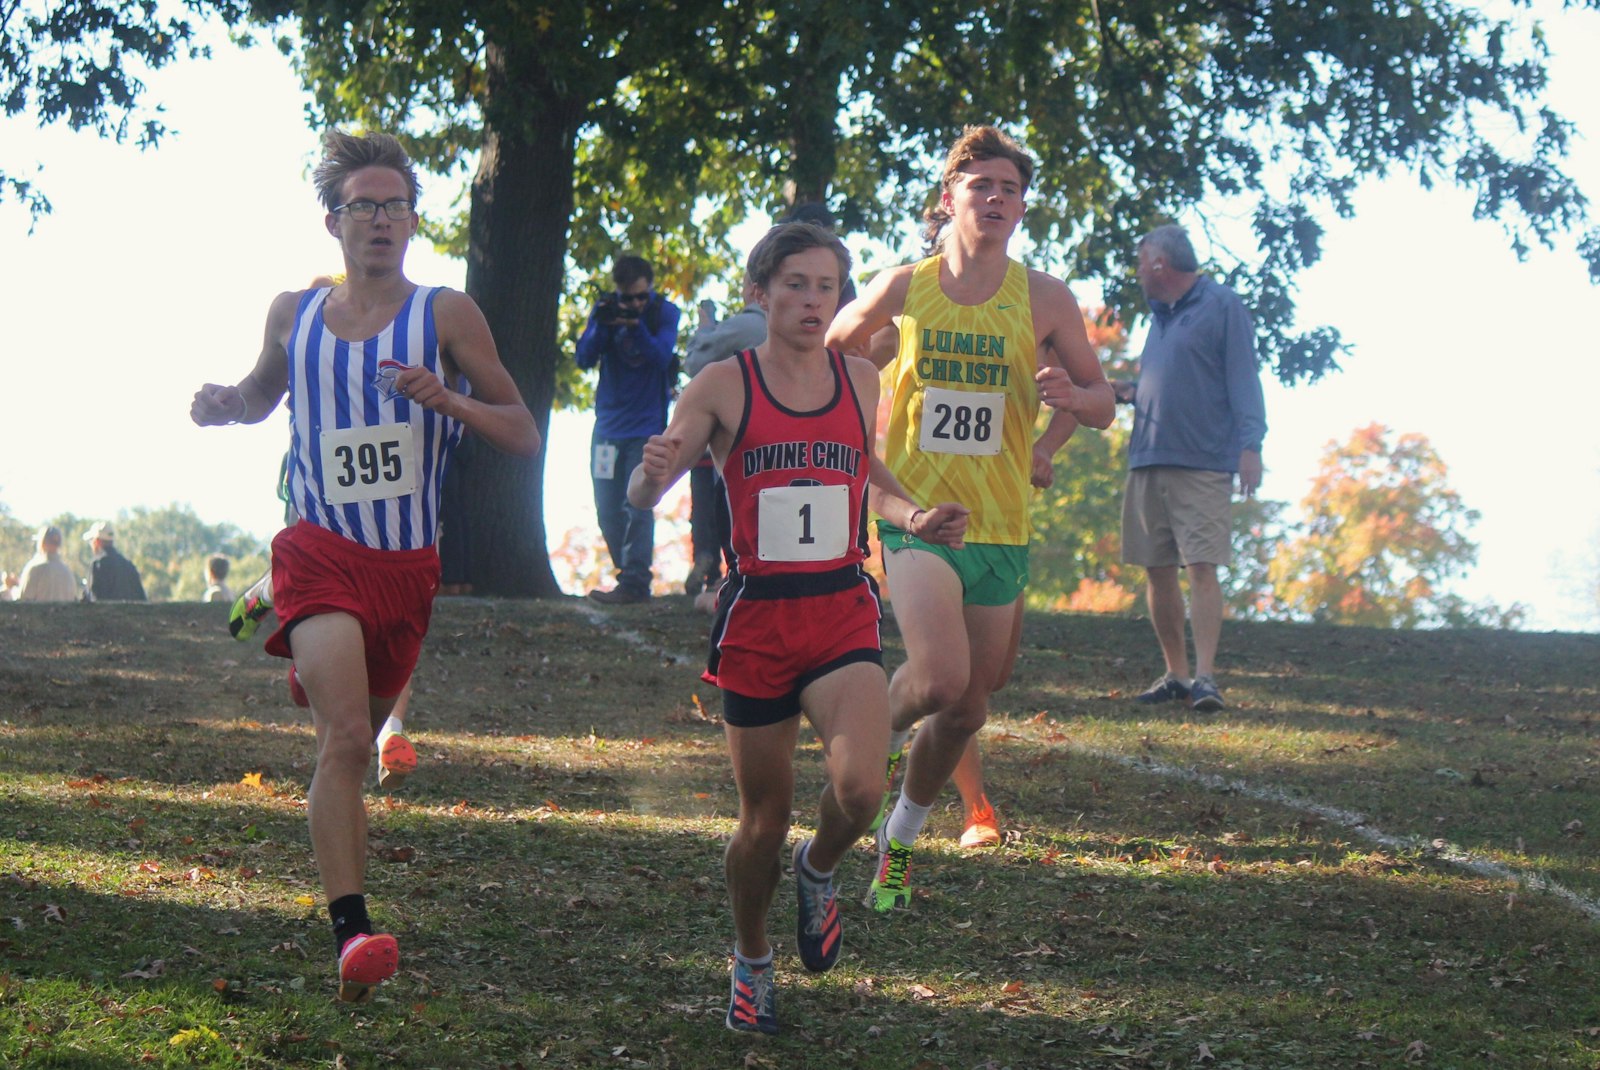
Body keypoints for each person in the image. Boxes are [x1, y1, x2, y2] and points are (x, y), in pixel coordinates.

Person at [189, 128, 540, 1003]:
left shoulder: (447, 314)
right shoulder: (292, 313)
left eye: (395, 206)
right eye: (363, 207)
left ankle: (317, 669)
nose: (380, 221)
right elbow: (261, 394)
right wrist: (226, 405)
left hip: (406, 570)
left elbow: (522, 430)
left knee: (357, 715)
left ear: (414, 221)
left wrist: (446, 395)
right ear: (332, 222)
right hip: (317, 551)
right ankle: (352, 930)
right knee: (349, 741)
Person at [628, 222, 968, 1034]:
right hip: (758, 622)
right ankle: (751, 959)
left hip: (841, 609)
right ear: (761, 293)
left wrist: (915, 513)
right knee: (761, 821)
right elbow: (651, 489)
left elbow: (867, 479)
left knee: (856, 791)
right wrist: (645, 480)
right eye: (796, 285)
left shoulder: (860, 380)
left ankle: (820, 869)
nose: (813, 300)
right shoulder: (722, 383)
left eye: (826, 286)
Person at [826, 125, 1114, 913]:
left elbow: (1101, 404)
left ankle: (902, 835)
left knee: (969, 704)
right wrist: (868, 376)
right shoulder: (903, 285)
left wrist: (1068, 402)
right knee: (944, 675)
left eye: (1008, 189)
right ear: (948, 198)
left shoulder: (1045, 298)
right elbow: (830, 352)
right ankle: (861, 735)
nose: (994, 198)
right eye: (979, 185)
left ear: (1022, 209)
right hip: (919, 517)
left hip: (1002, 524)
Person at [1114, 223, 1266, 713]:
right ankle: (1176, 674)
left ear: (1160, 264)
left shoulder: (1222, 305)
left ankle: (1206, 677)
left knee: (1202, 565)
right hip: (1147, 458)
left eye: (1142, 261)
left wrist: (1251, 445)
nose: (1138, 272)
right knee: (1156, 570)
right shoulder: (1157, 318)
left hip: (1202, 461)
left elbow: (1244, 375)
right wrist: (1132, 393)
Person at [575, 254, 681, 604]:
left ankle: (636, 581)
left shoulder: (663, 312)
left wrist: (637, 325)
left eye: (640, 297)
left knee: (638, 503)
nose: (634, 304)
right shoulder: (606, 310)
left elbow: (662, 357)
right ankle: (627, 575)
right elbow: (583, 358)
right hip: (607, 427)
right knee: (606, 505)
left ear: (649, 289)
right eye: (628, 299)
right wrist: (602, 324)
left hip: (647, 428)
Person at [681, 278, 767, 603]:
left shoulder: (745, 326)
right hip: (789, 442)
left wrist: (705, 328)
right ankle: (725, 570)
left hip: (736, 440)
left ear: (753, 288)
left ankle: (728, 573)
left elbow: (694, 362)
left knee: (725, 507)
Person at [83, 522, 146, 602]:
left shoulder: (97, 566)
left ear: (97, 541)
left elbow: (91, 601)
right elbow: (142, 599)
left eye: (91, 541)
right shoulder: (129, 566)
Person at [17, 525, 78, 602]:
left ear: (41, 543)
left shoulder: (34, 569)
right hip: (64, 614)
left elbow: (22, 603)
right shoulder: (68, 572)